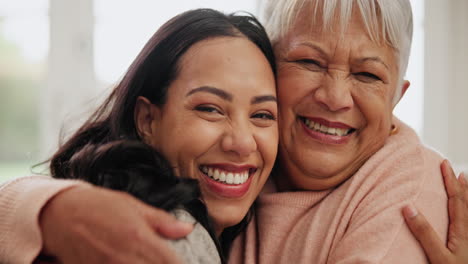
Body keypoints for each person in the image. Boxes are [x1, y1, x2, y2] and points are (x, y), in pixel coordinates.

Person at [0, 1, 467, 264]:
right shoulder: (178, 228)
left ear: (397, 99)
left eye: (368, 75)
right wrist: (46, 208)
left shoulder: (409, 190)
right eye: (308, 62)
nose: (335, 96)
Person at [0, 8, 279, 264]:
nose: (242, 143)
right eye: (210, 109)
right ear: (148, 119)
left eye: (262, 115)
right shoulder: (169, 237)